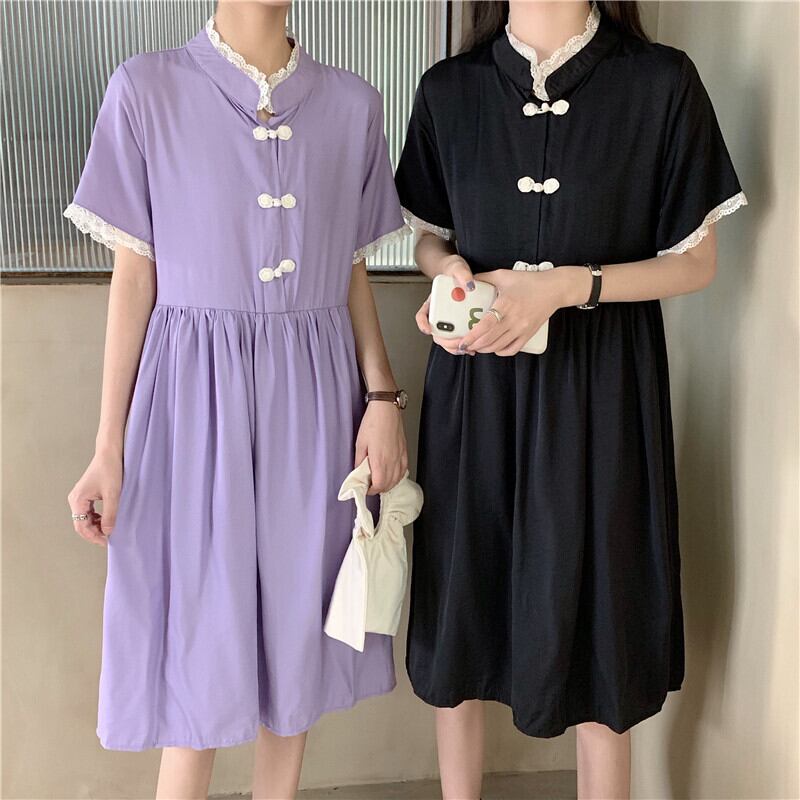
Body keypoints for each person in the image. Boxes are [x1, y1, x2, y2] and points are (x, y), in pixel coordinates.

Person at [394, 1, 747, 798]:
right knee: (463, 615)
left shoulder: (660, 83)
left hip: (603, 392)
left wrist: (567, 287)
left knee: (600, 624)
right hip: (477, 390)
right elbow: (430, 235)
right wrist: (447, 274)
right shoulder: (450, 89)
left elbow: (695, 264)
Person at [65, 2, 409, 797]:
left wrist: (382, 395)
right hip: (191, 406)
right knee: (198, 651)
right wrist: (108, 450)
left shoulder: (353, 104)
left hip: (314, 400)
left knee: (294, 641)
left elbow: (350, 270)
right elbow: (135, 277)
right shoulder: (146, 89)